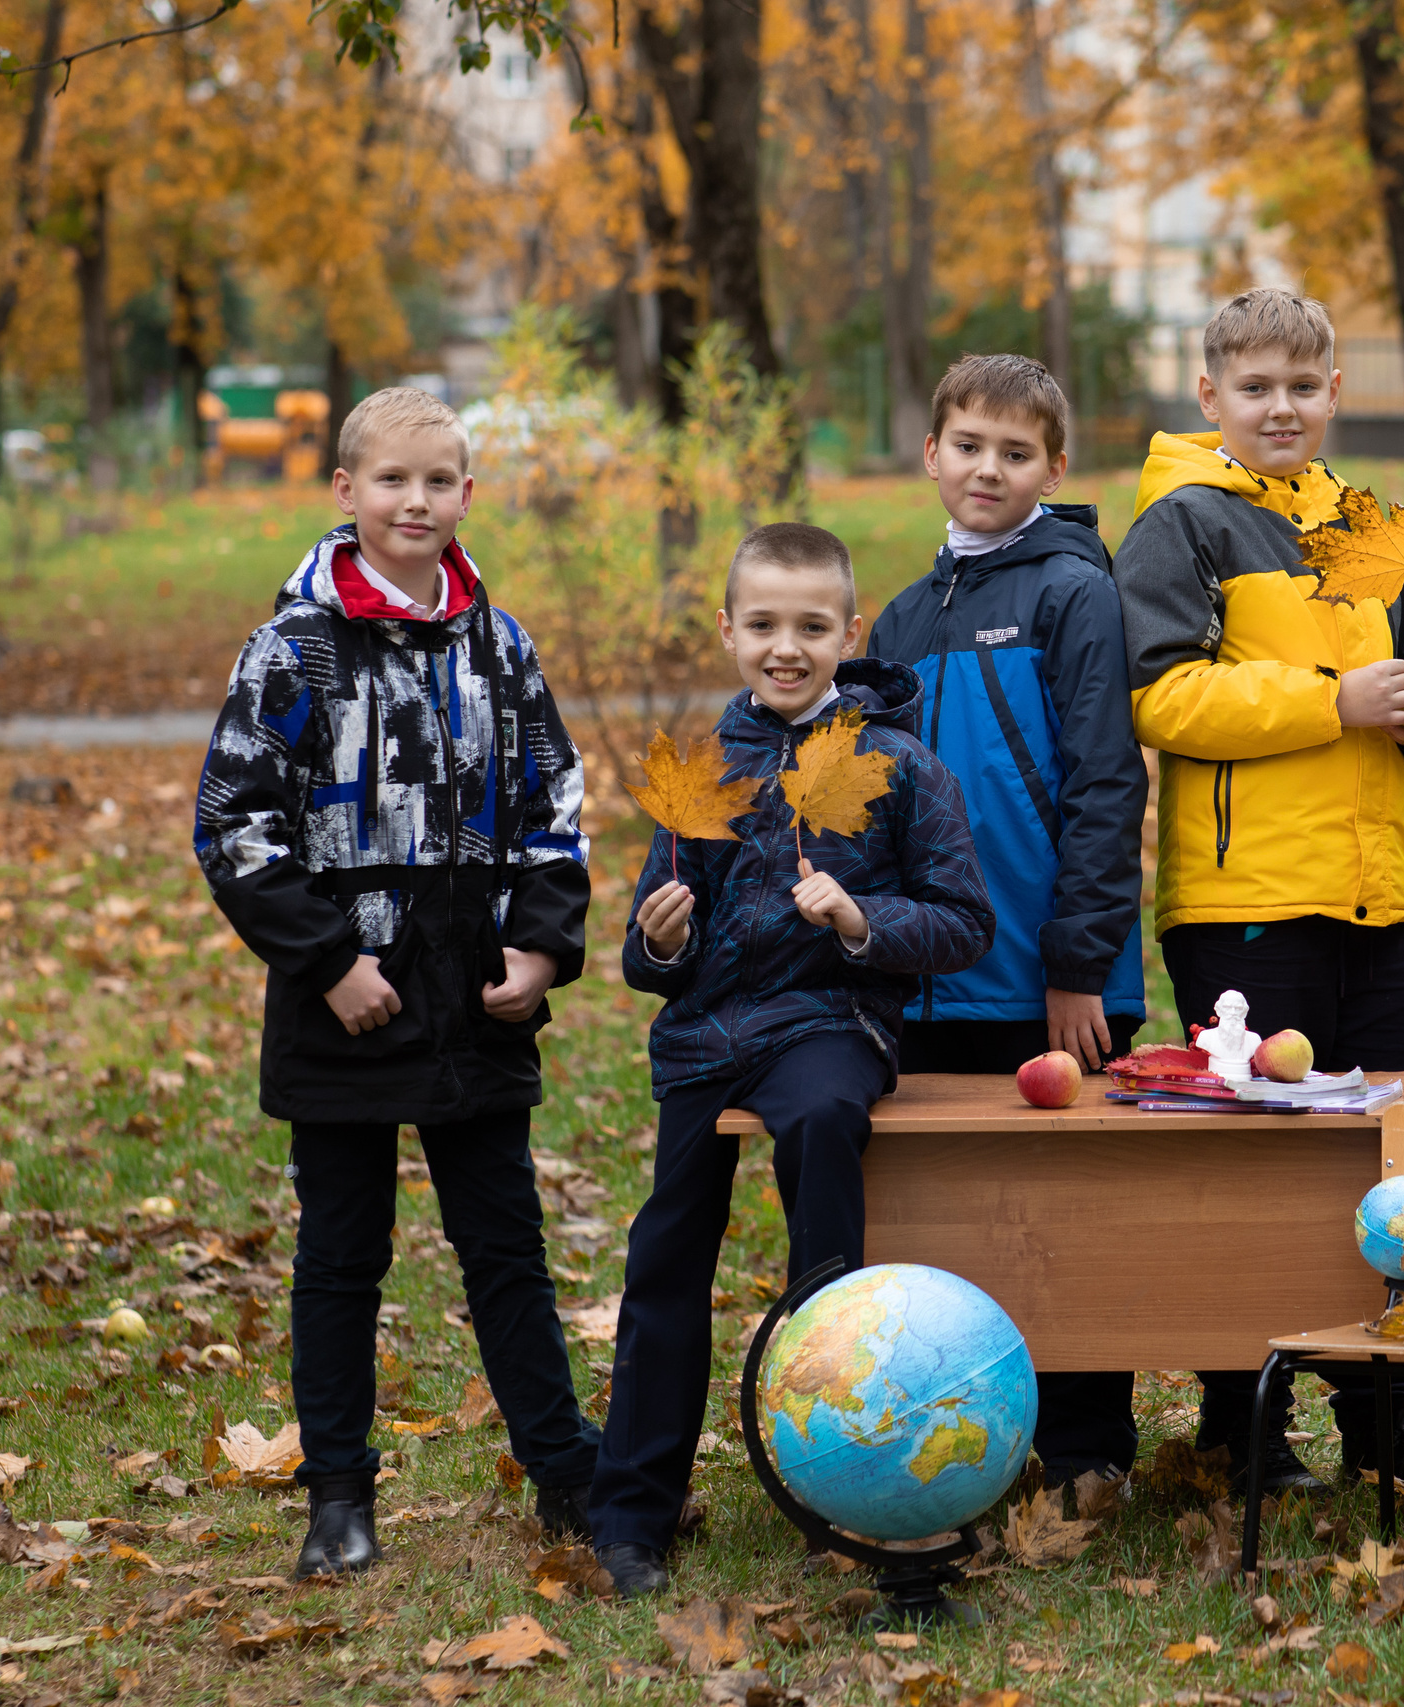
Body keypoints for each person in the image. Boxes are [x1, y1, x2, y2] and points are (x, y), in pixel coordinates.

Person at [194, 387, 605, 1580]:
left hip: (471, 994)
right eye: (390, 481)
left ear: (467, 496)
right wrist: (327, 963)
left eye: (438, 483)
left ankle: (566, 1476)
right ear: (346, 492)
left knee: (506, 1248)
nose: (414, 501)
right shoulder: (295, 649)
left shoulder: (501, 644)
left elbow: (553, 807)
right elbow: (236, 823)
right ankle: (338, 1494)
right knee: (342, 1254)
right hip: (346, 1002)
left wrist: (539, 945)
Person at [1112, 286, 1404, 1495]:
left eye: (1302, 385)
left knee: (1385, 1161)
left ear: (1336, 394)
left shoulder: (1370, 525)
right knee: (1260, 1169)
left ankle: (1385, 1416)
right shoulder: (1180, 523)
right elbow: (1158, 696)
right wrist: (1333, 703)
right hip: (1240, 898)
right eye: (1254, 386)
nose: (1281, 406)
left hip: (1371, 891)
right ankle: (1240, 1424)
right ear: (1209, 397)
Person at [588, 522, 995, 1595]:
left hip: (829, 1025)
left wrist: (863, 922)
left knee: (821, 1123)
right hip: (708, 1037)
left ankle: (846, 1453)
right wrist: (660, 945)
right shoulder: (701, 775)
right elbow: (647, 954)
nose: (786, 647)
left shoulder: (896, 767)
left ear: (847, 632)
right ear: (727, 630)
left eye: (811, 627)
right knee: (666, 1252)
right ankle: (634, 1510)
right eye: (762, 624)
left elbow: (963, 922)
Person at [864, 352, 1148, 1490]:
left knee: (1066, 1217)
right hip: (926, 978)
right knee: (956, 1224)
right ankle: (969, 1440)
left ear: (1055, 466)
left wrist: (1077, 965)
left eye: (1015, 452)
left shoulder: (1074, 593)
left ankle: (1087, 1447)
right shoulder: (895, 618)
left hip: (1046, 977)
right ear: (931, 453)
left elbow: (1104, 786)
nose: (988, 469)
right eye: (968, 446)